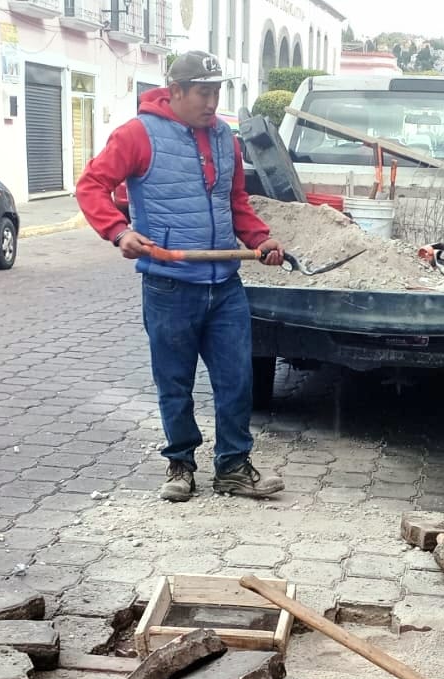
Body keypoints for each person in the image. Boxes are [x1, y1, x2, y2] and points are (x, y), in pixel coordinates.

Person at [77, 51, 285, 503]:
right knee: (175, 382)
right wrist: (118, 231)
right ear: (176, 92)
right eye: (204, 93)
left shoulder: (225, 137)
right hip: (169, 285)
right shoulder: (138, 135)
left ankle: (232, 466)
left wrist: (261, 239)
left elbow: (237, 202)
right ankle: (180, 464)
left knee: (237, 380)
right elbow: (91, 185)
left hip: (225, 284)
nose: (213, 102)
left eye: (218, 92)